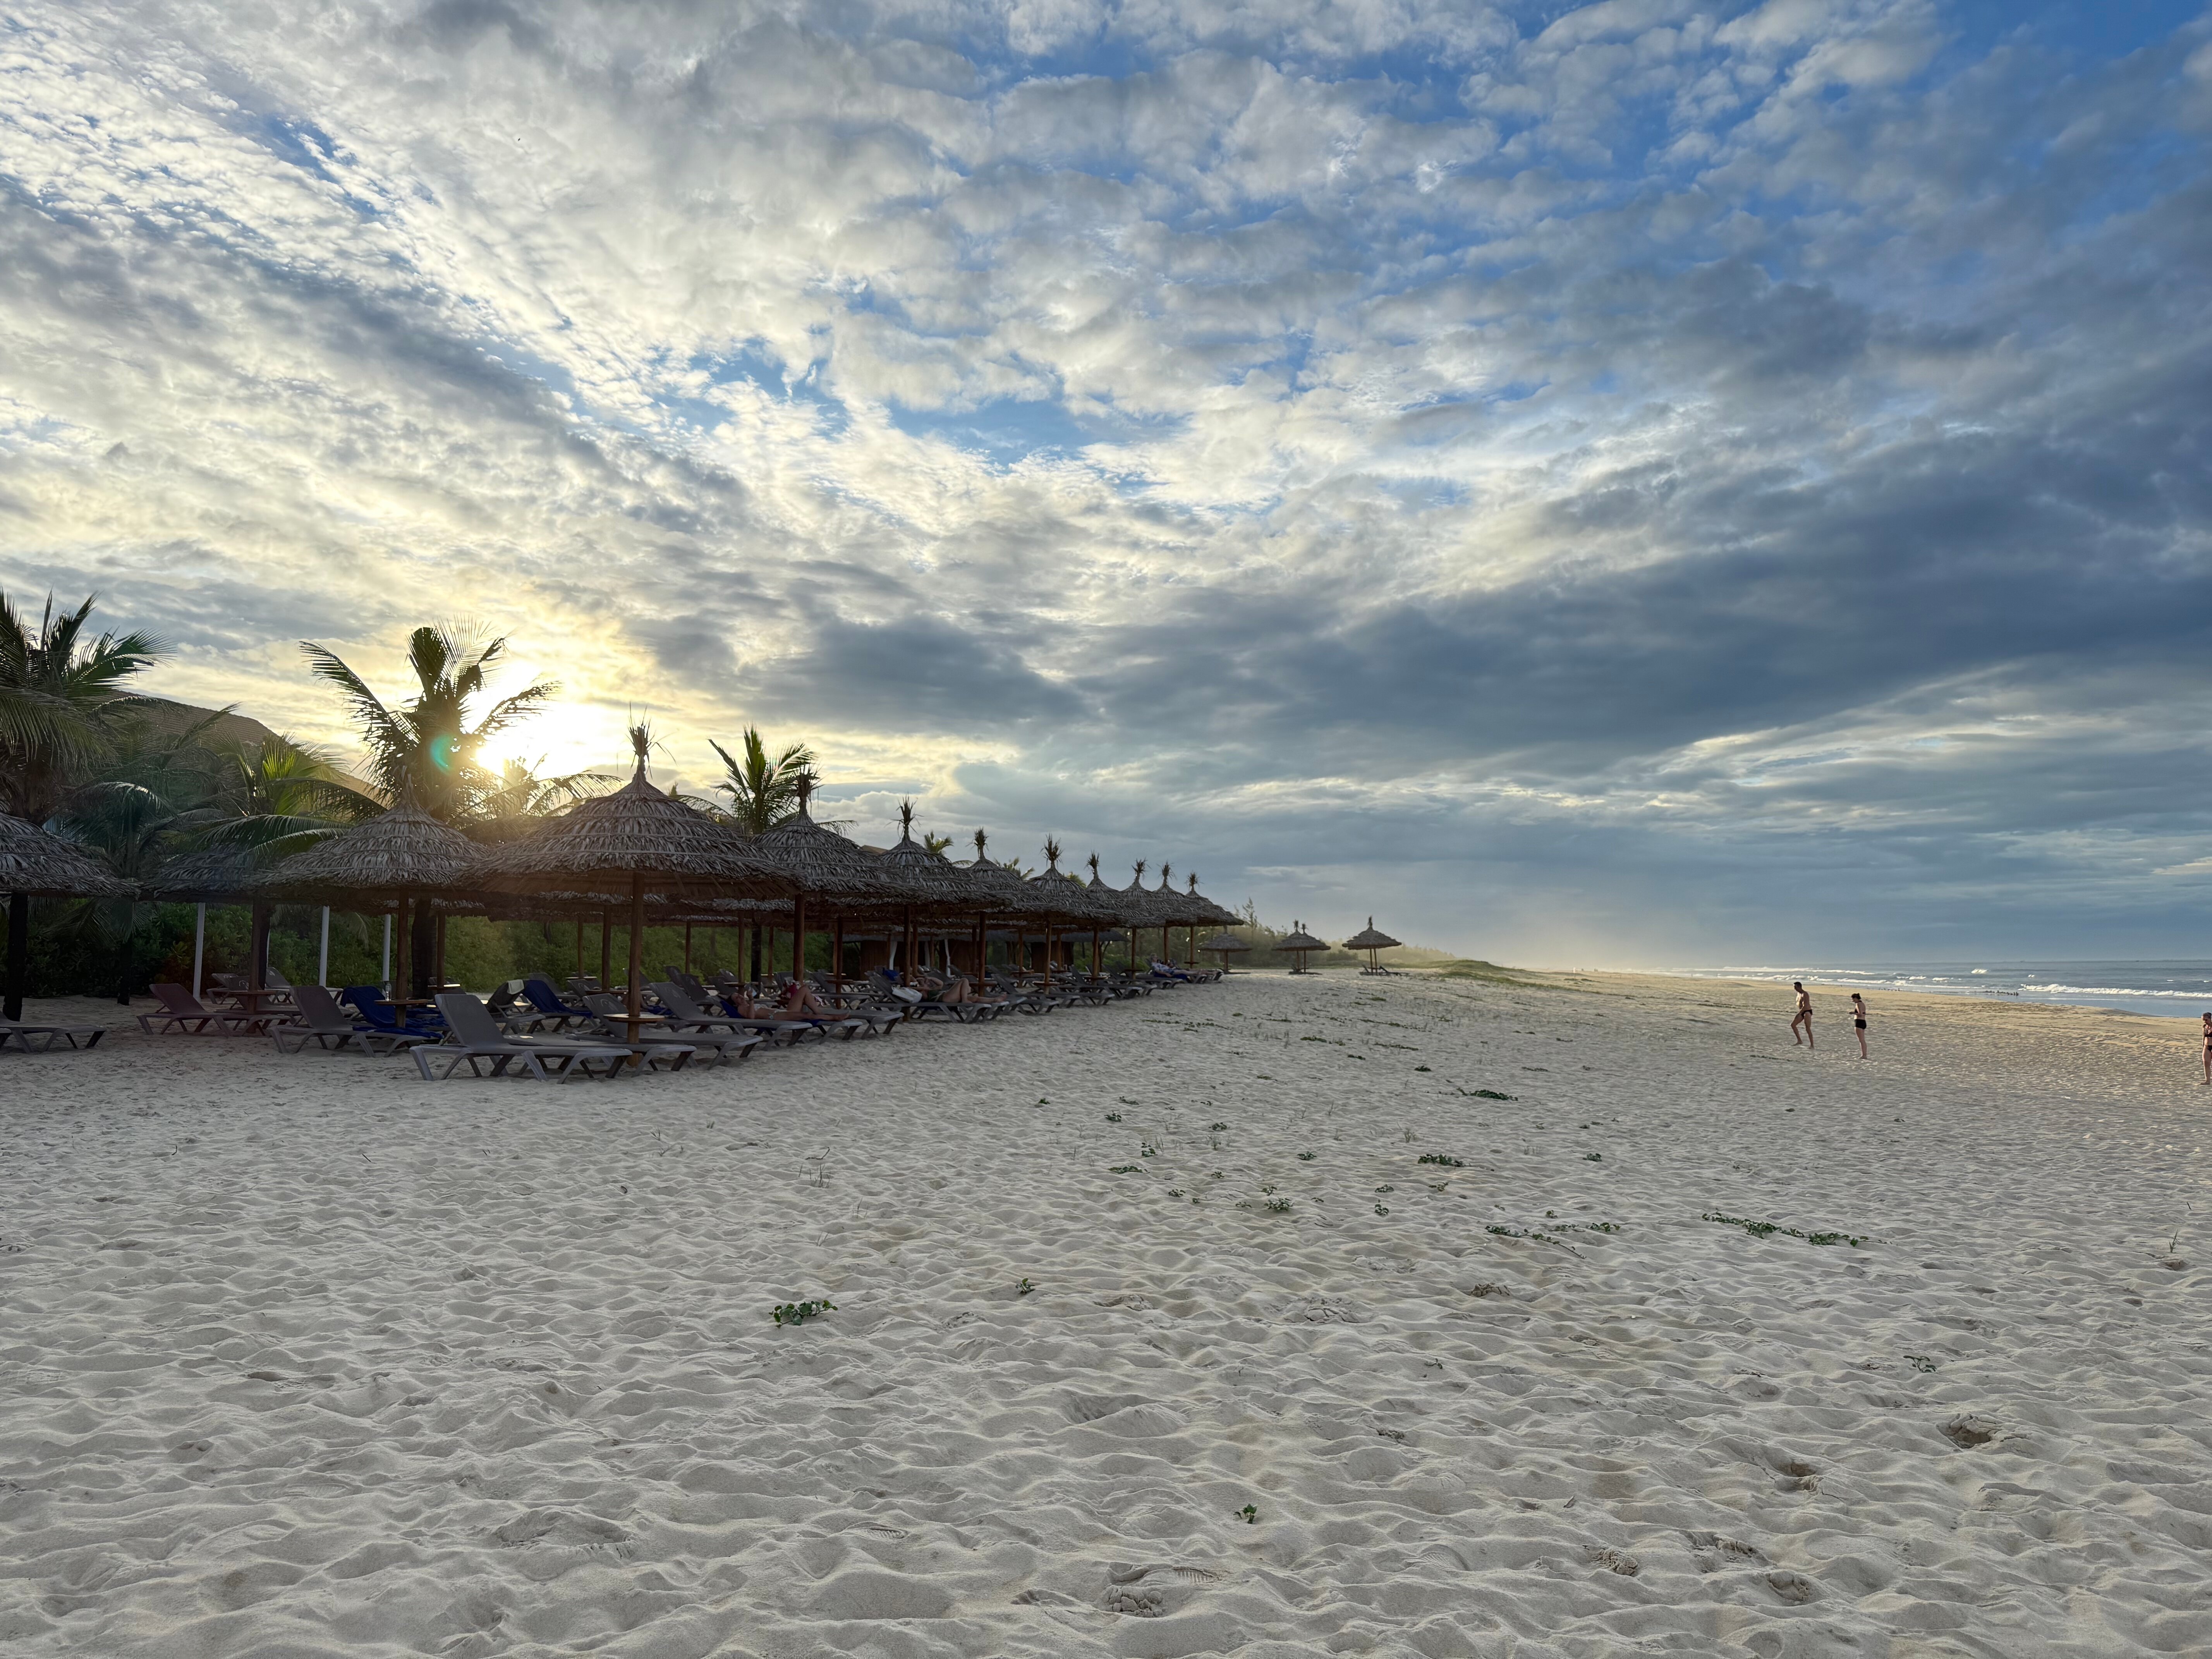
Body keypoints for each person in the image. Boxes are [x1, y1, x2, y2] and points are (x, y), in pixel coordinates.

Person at [1790, 982, 1814, 1049]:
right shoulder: (1799, 994)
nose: (1795, 989)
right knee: (1793, 1025)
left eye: (1796, 987)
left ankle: (1812, 1045)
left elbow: (1806, 1006)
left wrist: (1800, 1013)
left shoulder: (1805, 994)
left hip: (1807, 1012)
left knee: (1808, 1028)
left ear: (1799, 987)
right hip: (1802, 1011)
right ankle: (1799, 1041)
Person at [1850, 992, 1869, 1060]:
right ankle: (1865, 1055)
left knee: (1861, 1040)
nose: (1853, 1001)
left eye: (1853, 999)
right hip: (1864, 1022)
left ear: (1856, 998)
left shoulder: (1858, 1004)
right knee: (1863, 1040)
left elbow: (1860, 1014)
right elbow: (1864, 1013)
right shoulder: (1863, 1004)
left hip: (1859, 1022)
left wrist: (1853, 1013)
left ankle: (1864, 1055)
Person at [2201, 1012, 2210, 1085]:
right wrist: (2203, 1046)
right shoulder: (2205, 1027)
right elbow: (2204, 1037)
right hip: (2207, 1046)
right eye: (2204, 1020)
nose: (2205, 1021)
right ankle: (2207, 1080)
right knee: (2206, 1063)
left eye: (2206, 1020)